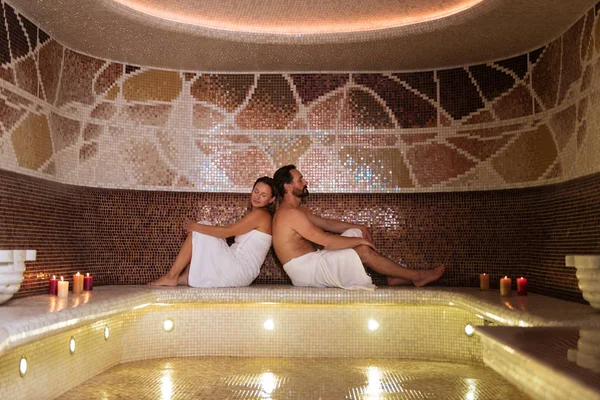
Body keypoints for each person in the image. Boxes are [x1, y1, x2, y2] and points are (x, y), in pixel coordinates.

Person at [272, 165, 445, 290]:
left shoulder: (297, 210)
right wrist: (359, 241)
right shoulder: (290, 214)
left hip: (314, 262)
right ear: (288, 187)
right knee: (362, 250)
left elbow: (328, 224)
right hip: (308, 272)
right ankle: (418, 277)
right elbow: (326, 240)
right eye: (300, 179)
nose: (305, 182)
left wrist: (358, 227)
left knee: (355, 233)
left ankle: (393, 276)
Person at [149, 176, 276, 287]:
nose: (258, 197)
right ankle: (186, 277)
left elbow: (228, 232)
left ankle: (172, 276)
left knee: (201, 228)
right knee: (203, 230)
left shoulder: (261, 215)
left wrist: (194, 227)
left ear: (271, 199)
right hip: (239, 269)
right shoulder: (258, 214)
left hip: (238, 270)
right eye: (256, 191)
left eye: (263, 195)